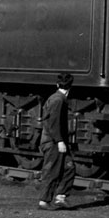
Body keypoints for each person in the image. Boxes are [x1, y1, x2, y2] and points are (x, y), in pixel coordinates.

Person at [38, 73, 77, 210]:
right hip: (53, 141)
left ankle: (60, 197)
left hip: (54, 140)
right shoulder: (58, 100)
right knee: (52, 171)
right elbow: (53, 123)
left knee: (69, 167)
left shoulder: (56, 98)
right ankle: (44, 201)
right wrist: (60, 141)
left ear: (57, 85)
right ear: (71, 86)